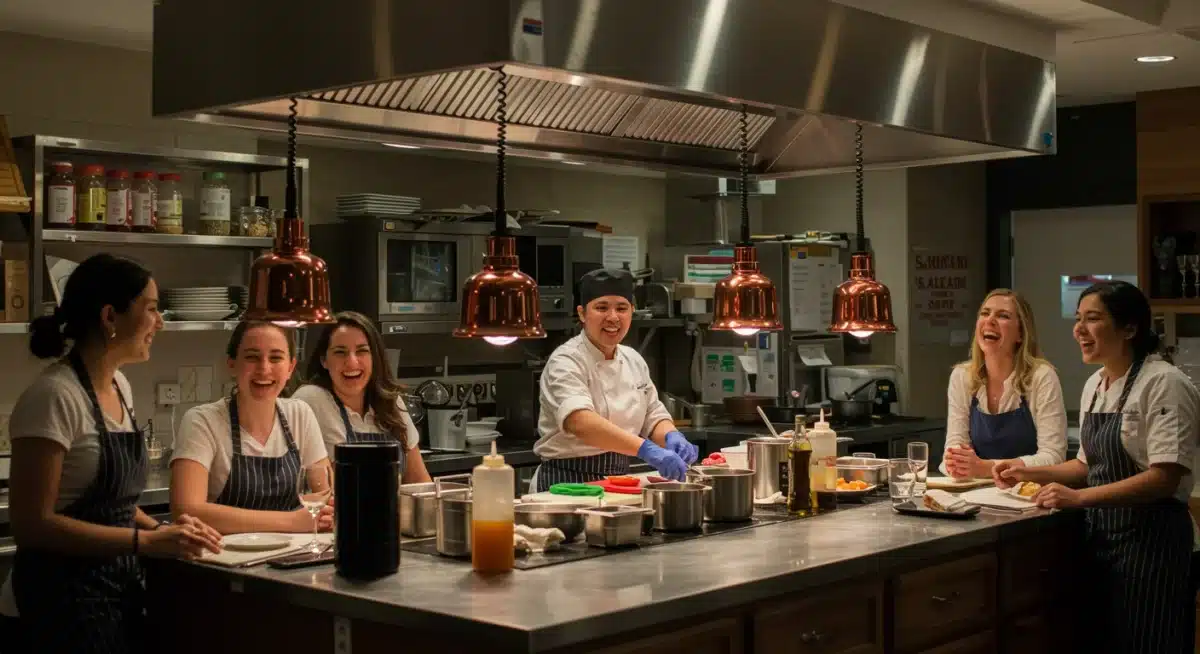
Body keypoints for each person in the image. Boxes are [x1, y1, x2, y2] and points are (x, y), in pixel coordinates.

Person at [0, 254, 221, 654]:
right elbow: (33, 524)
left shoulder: (120, 386)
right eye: (151, 310)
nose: (160, 323)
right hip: (58, 602)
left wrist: (162, 532)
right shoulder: (54, 396)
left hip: (113, 590)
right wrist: (144, 543)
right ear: (110, 316)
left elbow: (114, 506)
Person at [997, 280, 1199, 653]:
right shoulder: (1095, 384)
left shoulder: (1164, 384)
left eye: (1093, 319)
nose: (1079, 330)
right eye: (1078, 319)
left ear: (1130, 328)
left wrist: (1078, 498)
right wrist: (1026, 471)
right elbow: (1084, 465)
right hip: (1102, 542)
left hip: (1151, 545)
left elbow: (1164, 478)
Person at [532, 268, 698, 492]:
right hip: (566, 482)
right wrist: (646, 450)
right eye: (601, 308)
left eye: (621, 308)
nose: (612, 317)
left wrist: (670, 435)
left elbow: (653, 415)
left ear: (632, 311)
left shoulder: (633, 359)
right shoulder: (566, 360)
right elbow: (580, 422)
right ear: (582, 314)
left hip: (618, 481)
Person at [170, 321, 334, 535]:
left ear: (290, 368)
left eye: (276, 358)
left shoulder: (300, 414)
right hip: (221, 559)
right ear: (231, 364)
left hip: (290, 557)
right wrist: (292, 521)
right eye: (251, 357)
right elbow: (186, 510)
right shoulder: (203, 421)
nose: (264, 368)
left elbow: (326, 496)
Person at [940, 289, 1067, 480]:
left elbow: (1054, 457)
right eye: (985, 313)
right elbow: (955, 442)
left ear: (1021, 334)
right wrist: (957, 462)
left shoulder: (1041, 376)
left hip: (1029, 494)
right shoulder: (962, 376)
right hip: (975, 493)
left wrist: (987, 468)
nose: (990, 320)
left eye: (1003, 316)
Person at [292, 311, 431, 483]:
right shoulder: (311, 399)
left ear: (375, 358)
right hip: (340, 509)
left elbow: (421, 483)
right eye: (340, 352)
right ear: (324, 360)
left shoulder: (391, 402)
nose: (352, 362)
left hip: (394, 510)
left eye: (362, 351)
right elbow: (326, 492)